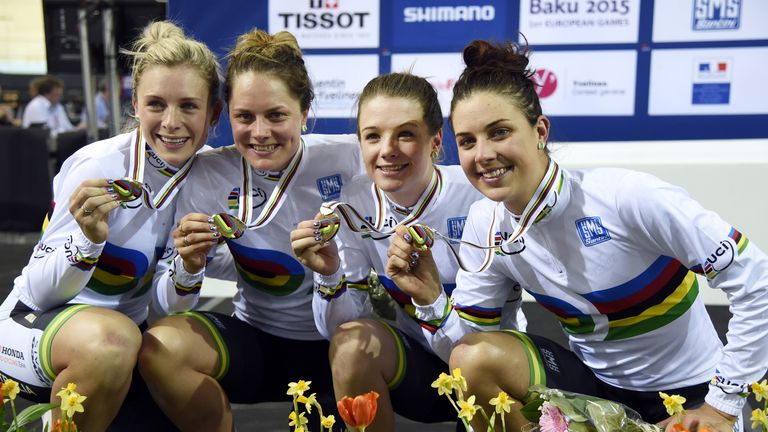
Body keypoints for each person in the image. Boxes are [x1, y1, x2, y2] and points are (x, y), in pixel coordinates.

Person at [385, 39, 768, 432]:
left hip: (692, 394)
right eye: (467, 141)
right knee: (472, 358)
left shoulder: (625, 197)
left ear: (540, 131)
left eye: (499, 132)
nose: (482, 154)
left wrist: (721, 406)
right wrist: (430, 298)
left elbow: (757, 279)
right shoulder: (486, 223)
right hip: (595, 393)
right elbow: (466, 354)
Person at [0, 21, 222, 431]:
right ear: (135, 104)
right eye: (156, 104)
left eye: (189, 106)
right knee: (113, 340)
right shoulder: (99, 165)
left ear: (213, 112)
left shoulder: (210, 174)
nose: (171, 122)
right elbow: (38, 290)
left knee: (182, 365)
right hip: (36, 324)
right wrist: (87, 243)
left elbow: (164, 312)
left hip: (127, 339)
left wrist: (190, 267)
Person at [138, 28, 364, 432]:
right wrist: (190, 264)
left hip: (340, 348)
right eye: (245, 117)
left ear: (305, 111)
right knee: (162, 345)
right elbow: (164, 309)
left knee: (355, 349)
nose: (259, 133)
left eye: (276, 115)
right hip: (256, 344)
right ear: (228, 114)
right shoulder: (209, 173)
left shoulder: (351, 158)